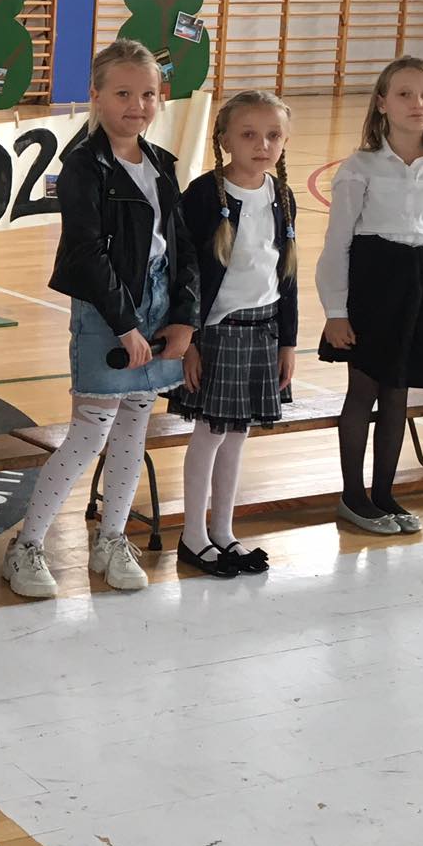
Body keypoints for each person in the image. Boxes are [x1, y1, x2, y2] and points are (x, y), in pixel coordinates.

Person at [4, 41, 198, 597]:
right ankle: (27, 545)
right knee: (90, 434)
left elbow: (182, 246)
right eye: (123, 93)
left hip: (157, 304)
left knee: (134, 429)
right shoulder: (84, 166)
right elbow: (87, 254)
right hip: (107, 308)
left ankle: (111, 539)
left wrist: (184, 318)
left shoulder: (161, 164)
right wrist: (125, 326)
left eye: (148, 94)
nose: (137, 105)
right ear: (95, 94)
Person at [317, 55, 423, 535]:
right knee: (363, 390)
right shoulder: (360, 167)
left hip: (422, 285)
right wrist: (336, 310)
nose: (417, 103)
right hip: (373, 285)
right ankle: (353, 496)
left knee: (397, 394)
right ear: (382, 103)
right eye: (404, 94)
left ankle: (384, 494)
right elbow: (337, 244)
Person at [170, 90, 299, 577]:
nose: (262, 145)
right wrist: (190, 342)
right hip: (217, 334)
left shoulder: (282, 195)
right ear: (224, 139)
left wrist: (288, 342)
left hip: (262, 332)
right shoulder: (204, 195)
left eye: (273, 135)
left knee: (238, 434)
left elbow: (286, 275)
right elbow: (183, 273)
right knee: (210, 433)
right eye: (249, 134)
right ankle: (193, 535)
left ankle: (223, 531)